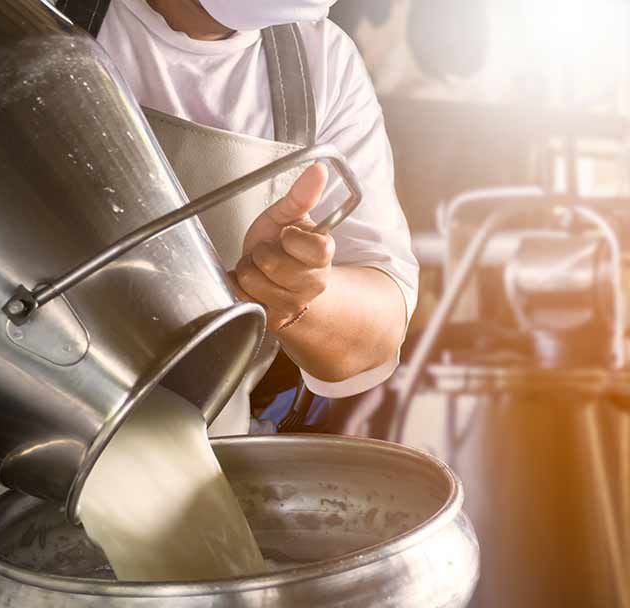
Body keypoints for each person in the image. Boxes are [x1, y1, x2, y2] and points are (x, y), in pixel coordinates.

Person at [57, 0, 418, 434]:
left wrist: (297, 291)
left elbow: (376, 336)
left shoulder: (321, 63)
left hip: (197, 453)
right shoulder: (15, 14)